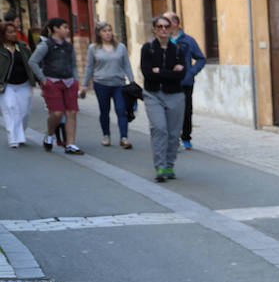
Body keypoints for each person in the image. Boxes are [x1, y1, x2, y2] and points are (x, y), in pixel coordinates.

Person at [140, 15, 189, 181]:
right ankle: (160, 166)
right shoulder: (147, 49)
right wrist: (170, 72)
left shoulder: (178, 50)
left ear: (171, 29)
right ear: (154, 29)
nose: (163, 29)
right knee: (159, 129)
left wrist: (159, 72)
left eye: (166, 27)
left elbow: (181, 75)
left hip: (175, 95)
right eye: (159, 26)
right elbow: (147, 73)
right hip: (153, 94)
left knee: (174, 133)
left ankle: (169, 165)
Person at [28, 17, 82, 154]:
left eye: (67, 28)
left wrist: (76, 80)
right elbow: (32, 61)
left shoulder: (69, 46)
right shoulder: (46, 45)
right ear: (55, 29)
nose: (67, 30)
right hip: (52, 82)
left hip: (69, 82)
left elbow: (74, 65)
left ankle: (71, 143)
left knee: (72, 112)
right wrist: (43, 79)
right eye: (64, 27)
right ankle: (50, 134)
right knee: (57, 113)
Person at [81, 21, 136, 149]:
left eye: (109, 30)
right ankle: (106, 135)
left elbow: (126, 65)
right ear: (99, 33)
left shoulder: (121, 47)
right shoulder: (93, 48)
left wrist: (132, 81)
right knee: (104, 111)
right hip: (101, 83)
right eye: (104, 31)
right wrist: (84, 84)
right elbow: (89, 67)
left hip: (119, 84)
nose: (108, 33)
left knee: (121, 110)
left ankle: (124, 138)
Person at [163, 12, 205, 150]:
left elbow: (201, 58)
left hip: (185, 82)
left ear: (175, 23)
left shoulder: (188, 40)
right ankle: (171, 138)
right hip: (167, 81)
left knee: (186, 111)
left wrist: (191, 72)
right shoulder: (161, 40)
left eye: (166, 22)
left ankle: (186, 138)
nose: (163, 25)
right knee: (168, 110)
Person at [0, 21, 34, 149]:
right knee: (11, 109)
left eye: (15, 31)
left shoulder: (22, 46)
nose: (14, 34)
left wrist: (38, 79)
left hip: (24, 83)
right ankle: (14, 139)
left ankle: (20, 134)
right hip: (6, 85)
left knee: (24, 112)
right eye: (10, 32)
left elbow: (32, 63)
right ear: (3, 34)